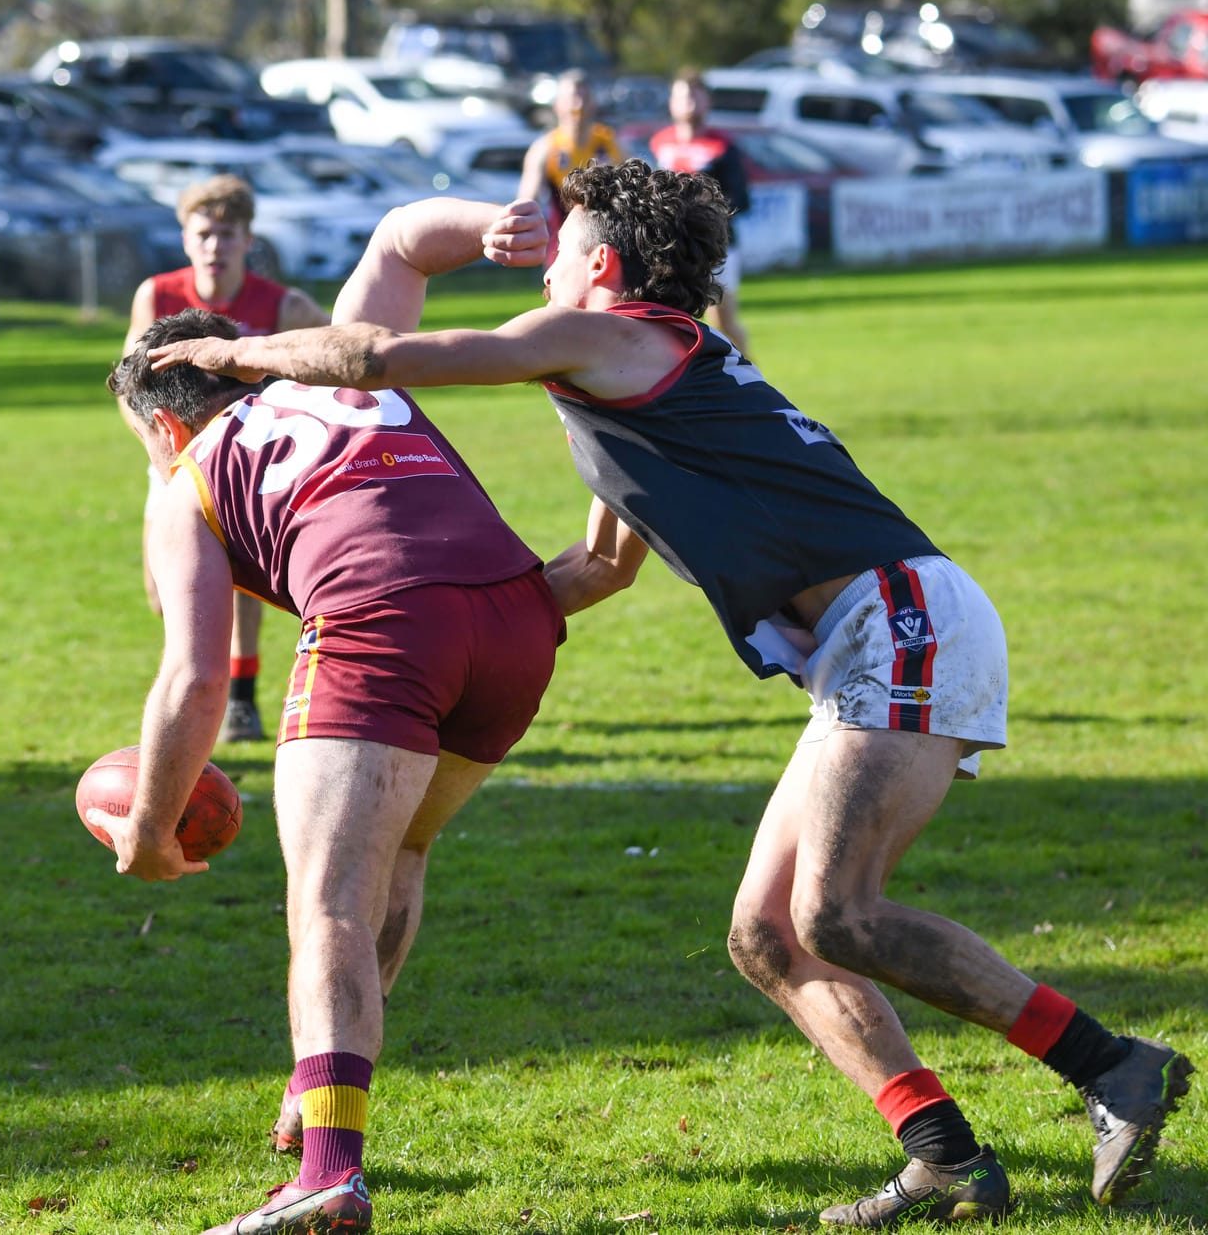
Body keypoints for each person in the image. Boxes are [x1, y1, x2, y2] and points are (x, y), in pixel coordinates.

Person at [147, 161, 1192, 1224]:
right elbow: (600, 567)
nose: (541, 264)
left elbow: (373, 353)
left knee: (836, 911)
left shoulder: (616, 334)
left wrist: (234, 353)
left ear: (598, 267)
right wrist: (457, 617)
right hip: (870, 635)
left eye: (559, 249)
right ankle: (943, 1157)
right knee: (765, 936)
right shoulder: (631, 386)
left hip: (898, 619)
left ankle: (1110, 1064)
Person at [92, 196, 565, 1232]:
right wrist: (497, 223)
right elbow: (401, 234)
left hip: (382, 623)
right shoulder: (329, 365)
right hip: (517, 618)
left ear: (166, 419)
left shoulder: (185, 483)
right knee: (395, 858)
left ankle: (328, 1171)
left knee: (329, 902)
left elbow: (194, 681)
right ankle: (320, 1094)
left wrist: (145, 829)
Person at [123, 174, 328, 746]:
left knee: (241, 584)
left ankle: (238, 698)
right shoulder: (158, 294)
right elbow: (128, 387)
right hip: (172, 455)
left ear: (247, 239)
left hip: (251, 466)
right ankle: (202, 687)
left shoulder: (281, 303)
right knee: (165, 593)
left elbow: (337, 354)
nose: (216, 246)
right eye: (205, 234)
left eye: (227, 234)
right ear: (186, 239)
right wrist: (159, 452)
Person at [649, 70, 752, 354]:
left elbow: (741, 198)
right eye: (683, 95)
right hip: (670, 246)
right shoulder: (659, 144)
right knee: (670, 319)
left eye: (696, 95)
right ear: (671, 102)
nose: (689, 102)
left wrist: (701, 211)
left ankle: (750, 377)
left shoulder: (722, 147)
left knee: (722, 319)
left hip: (715, 246)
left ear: (708, 102)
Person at [515, 69, 620, 259]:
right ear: (557, 105)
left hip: (606, 246)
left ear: (593, 104)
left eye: (584, 98)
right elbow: (526, 201)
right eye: (572, 98)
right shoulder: (545, 148)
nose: (577, 105)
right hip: (562, 249)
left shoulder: (611, 143)